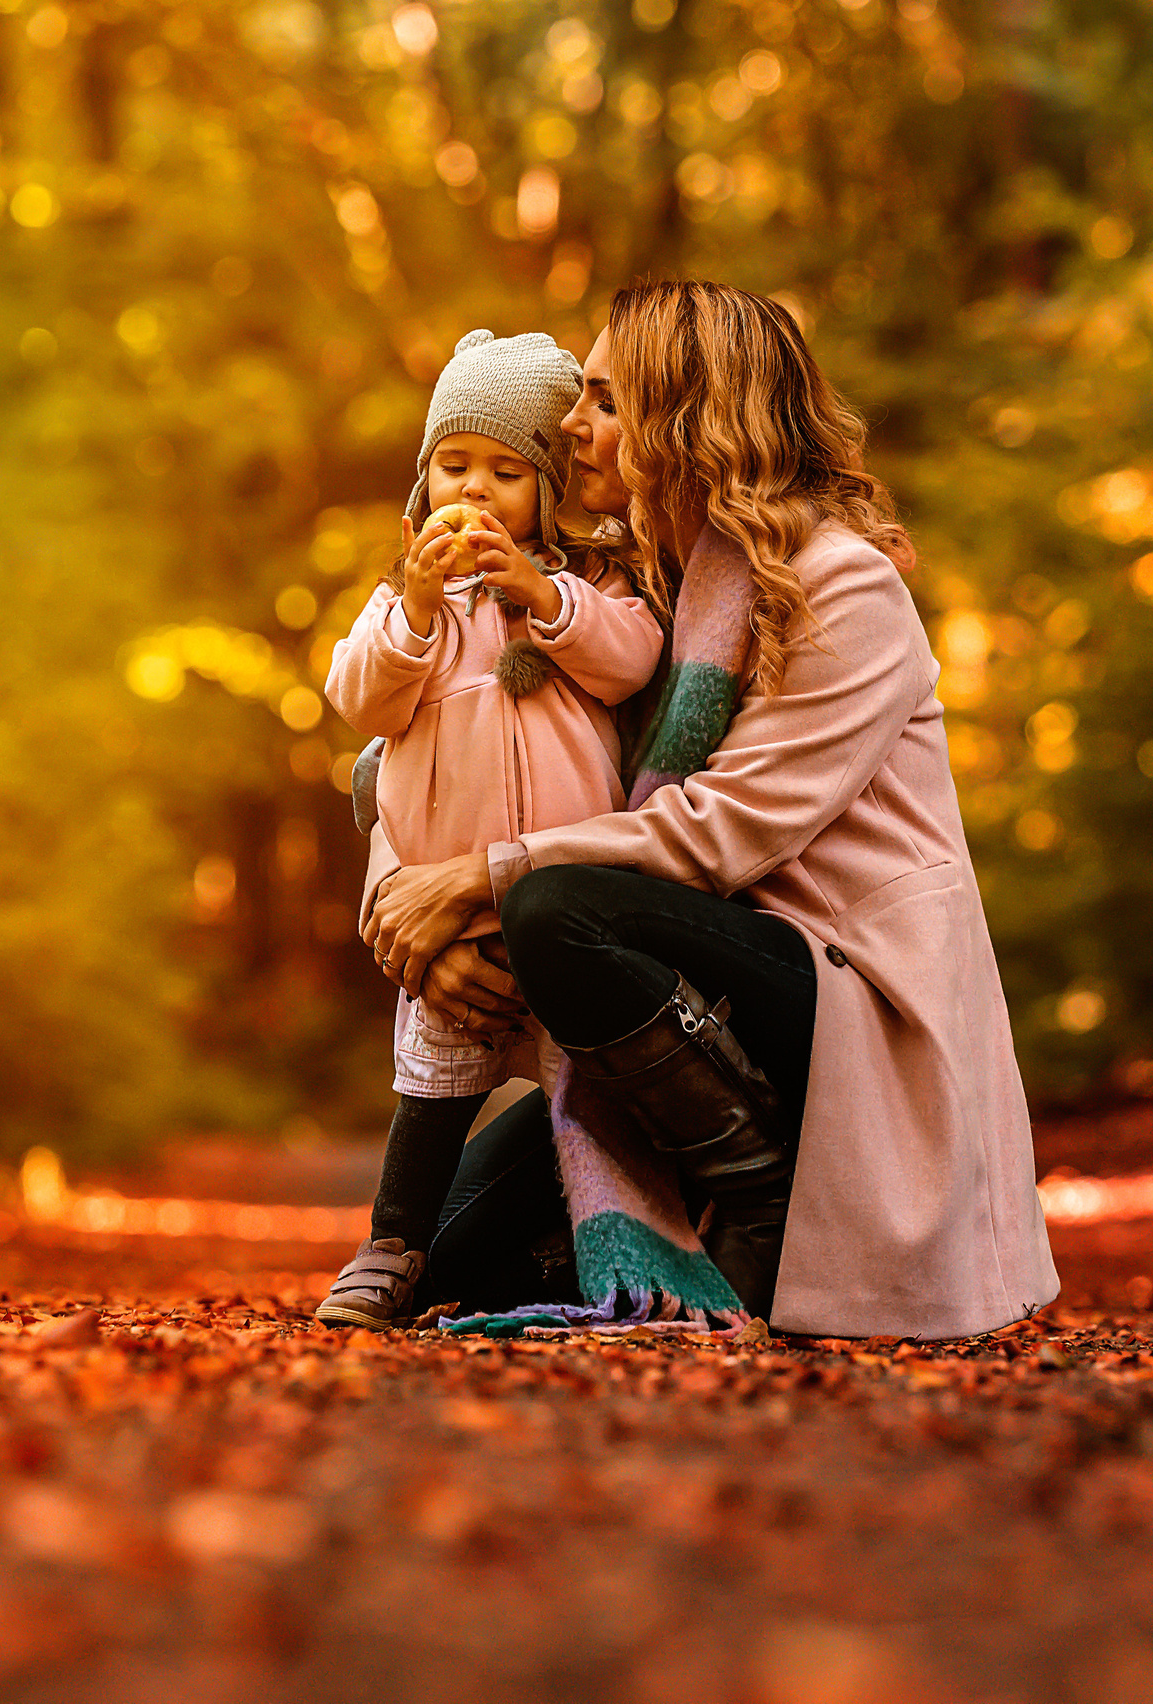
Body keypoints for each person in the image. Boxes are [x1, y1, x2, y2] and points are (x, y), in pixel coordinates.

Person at [359, 281, 1058, 1339]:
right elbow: (409, 755)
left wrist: (481, 879)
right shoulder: (644, 591)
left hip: (837, 983)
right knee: (451, 1261)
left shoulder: (841, 587)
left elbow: (722, 831)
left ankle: (759, 1191)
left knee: (559, 909)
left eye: (602, 399)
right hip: (699, 965)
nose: (571, 427)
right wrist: (414, 925)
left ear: (684, 419)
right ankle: (686, 1208)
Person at [313, 329, 667, 1329]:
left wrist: (540, 592)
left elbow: (632, 661)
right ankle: (389, 1248)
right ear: (421, 483)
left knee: (584, 1097)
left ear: (549, 492)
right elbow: (359, 700)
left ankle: (613, 1244)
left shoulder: (587, 592)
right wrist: (419, 612)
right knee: (435, 1089)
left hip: (558, 901)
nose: (474, 489)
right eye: (453, 465)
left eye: (507, 472)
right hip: (454, 912)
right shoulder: (407, 612)